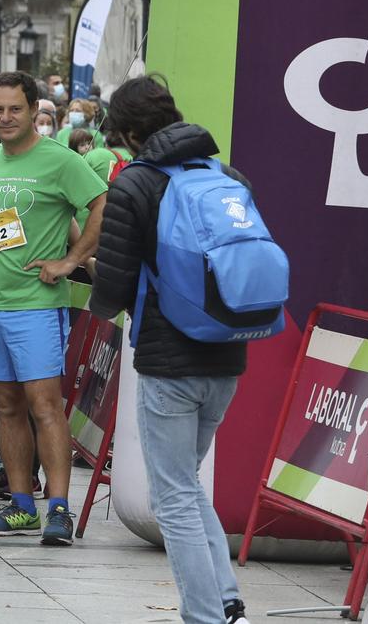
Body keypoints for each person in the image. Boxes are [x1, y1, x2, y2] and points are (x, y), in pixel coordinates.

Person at [89, 77, 253, 624]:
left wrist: (89, 289)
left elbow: (111, 287)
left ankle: (204, 615)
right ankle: (227, 599)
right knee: (183, 480)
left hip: (167, 358)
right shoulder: (226, 176)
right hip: (228, 355)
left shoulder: (134, 184)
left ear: (131, 133)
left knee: (172, 496)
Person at [0, 70, 108, 545]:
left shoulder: (59, 161)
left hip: (38, 307)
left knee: (45, 406)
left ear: (34, 111)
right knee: (7, 406)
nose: (4, 117)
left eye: (14, 109)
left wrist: (72, 261)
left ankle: (58, 509)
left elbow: (103, 203)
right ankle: (21, 506)